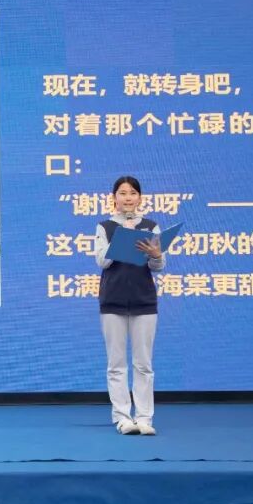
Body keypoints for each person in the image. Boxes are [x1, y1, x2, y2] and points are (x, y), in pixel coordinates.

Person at [93, 175, 166, 435]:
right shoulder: (105, 227)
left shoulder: (150, 226)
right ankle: (123, 417)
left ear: (140, 198)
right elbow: (102, 261)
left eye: (133, 193)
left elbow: (158, 266)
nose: (128, 198)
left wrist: (156, 255)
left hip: (143, 300)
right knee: (116, 364)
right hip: (113, 300)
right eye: (123, 193)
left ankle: (144, 417)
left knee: (143, 364)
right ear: (114, 198)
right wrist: (122, 237)